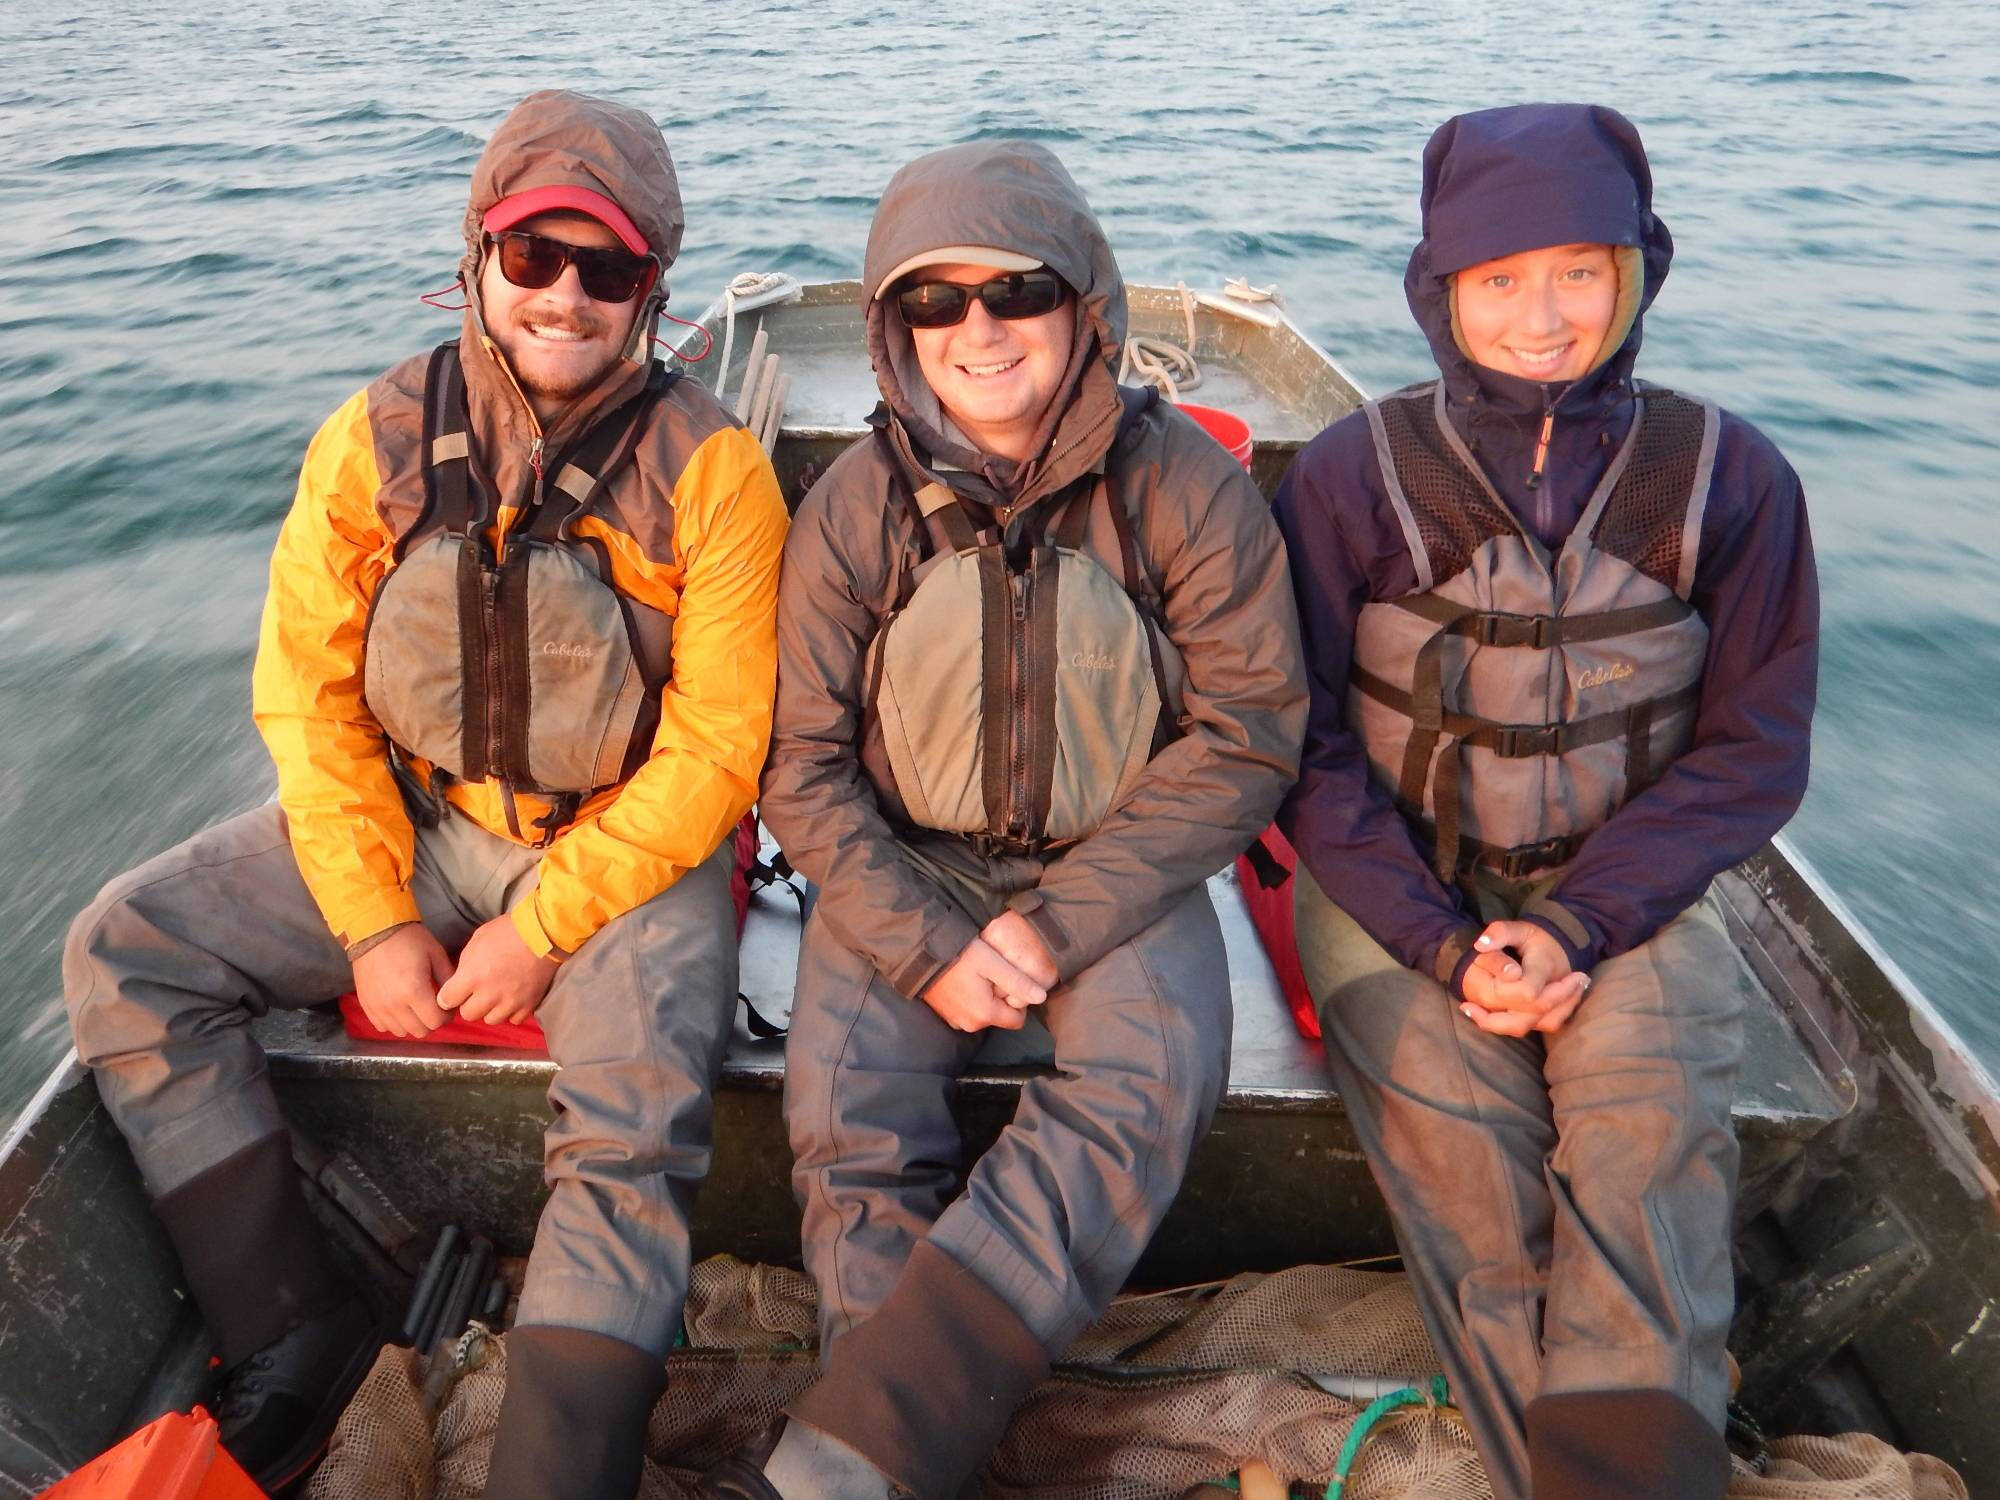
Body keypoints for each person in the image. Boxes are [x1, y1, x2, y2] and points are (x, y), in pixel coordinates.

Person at [62, 89, 787, 1499]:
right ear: (476, 262)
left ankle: (557, 1463)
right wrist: (374, 919)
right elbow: (310, 699)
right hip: (414, 817)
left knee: (636, 1108)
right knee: (125, 950)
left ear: (654, 290)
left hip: (623, 847)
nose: (566, 297)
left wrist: (543, 929)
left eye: (610, 269)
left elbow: (716, 752)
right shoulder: (372, 439)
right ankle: (290, 1332)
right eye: (533, 258)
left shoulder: (719, 473)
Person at [703, 142, 1305, 1500]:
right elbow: (800, 769)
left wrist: (1062, 919)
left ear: (1081, 307)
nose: (977, 331)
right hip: (903, 868)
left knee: (1150, 1082)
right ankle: (901, 1457)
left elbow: (1246, 736)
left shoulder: (1185, 492)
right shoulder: (855, 507)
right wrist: (923, 943)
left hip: (1119, 873)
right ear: (893, 328)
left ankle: (862, 1448)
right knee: (848, 1111)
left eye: (1015, 291)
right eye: (934, 302)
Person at [1272, 103, 1818, 1500]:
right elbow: (1304, 748)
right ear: (1439, 290)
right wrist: (1451, 948)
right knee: (1466, 1170)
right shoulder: (1349, 477)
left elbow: (1753, 751)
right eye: (1499, 277)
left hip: (1630, 894)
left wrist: (1577, 928)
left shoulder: (1730, 478)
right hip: (1400, 896)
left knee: (1648, 1156)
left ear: (1638, 272)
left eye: (1581, 268)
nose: (1541, 313)